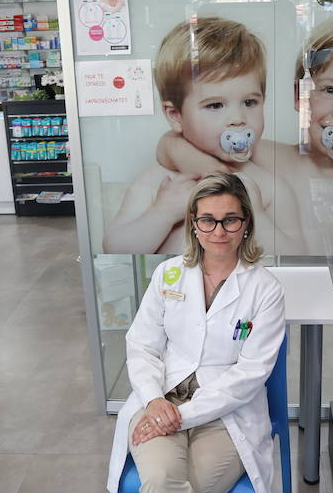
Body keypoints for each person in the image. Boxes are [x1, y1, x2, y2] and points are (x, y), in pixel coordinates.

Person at [156, 13, 333, 256]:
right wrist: (214, 171)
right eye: (330, 90)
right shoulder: (265, 155)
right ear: (299, 96)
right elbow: (170, 144)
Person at [106, 173, 286, 493]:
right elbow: (142, 345)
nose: (218, 231)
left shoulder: (265, 289)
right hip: (162, 396)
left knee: (190, 485)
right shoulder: (169, 273)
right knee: (162, 480)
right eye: (207, 220)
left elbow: (250, 373)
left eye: (230, 220)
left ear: (246, 224)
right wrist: (153, 400)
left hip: (226, 408)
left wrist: (181, 416)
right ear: (193, 223)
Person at [102, 17, 305, 255]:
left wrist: (256, 214)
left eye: (250, 102)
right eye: (215, 105)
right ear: (176, 115)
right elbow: (115, 248)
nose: (238, 118)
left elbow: (296, 255)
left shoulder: (268, 188)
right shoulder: (159, 184)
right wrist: (162, 213)